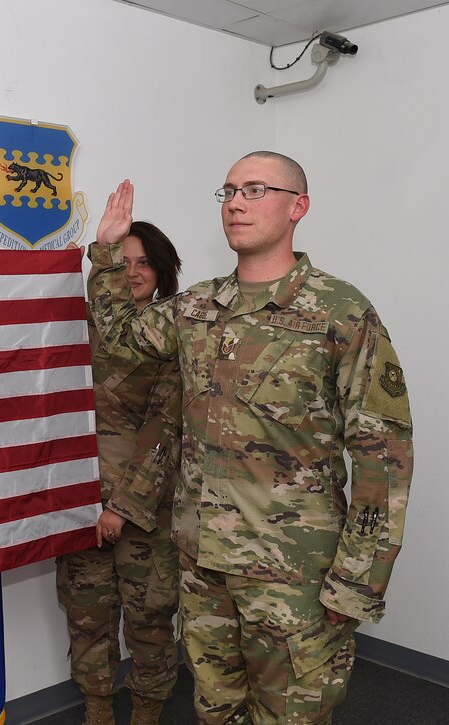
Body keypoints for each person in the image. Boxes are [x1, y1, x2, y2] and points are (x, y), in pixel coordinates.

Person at [89, 152, 413, 724]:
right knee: (217, 711)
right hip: (202, 562)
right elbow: (118, 338)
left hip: (293, 574)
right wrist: (109, 252)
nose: (236, 202)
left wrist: (357, 581)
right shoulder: (195, 309)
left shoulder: (339, 313)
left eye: (256, 190)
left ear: (298, 208)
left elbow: (382, 455)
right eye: (230, 190)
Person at [57, 219, 183, 725]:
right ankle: (98, 712)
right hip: (80, 502)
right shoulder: (77, 328)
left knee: (149, 622)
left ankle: (148, 714)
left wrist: (122, 508)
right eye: (123, 262)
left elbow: (164, 430)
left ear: (162, 272)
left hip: (143, 511)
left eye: (143, 263)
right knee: (87, 619)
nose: (133, 273)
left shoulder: (170, 336)